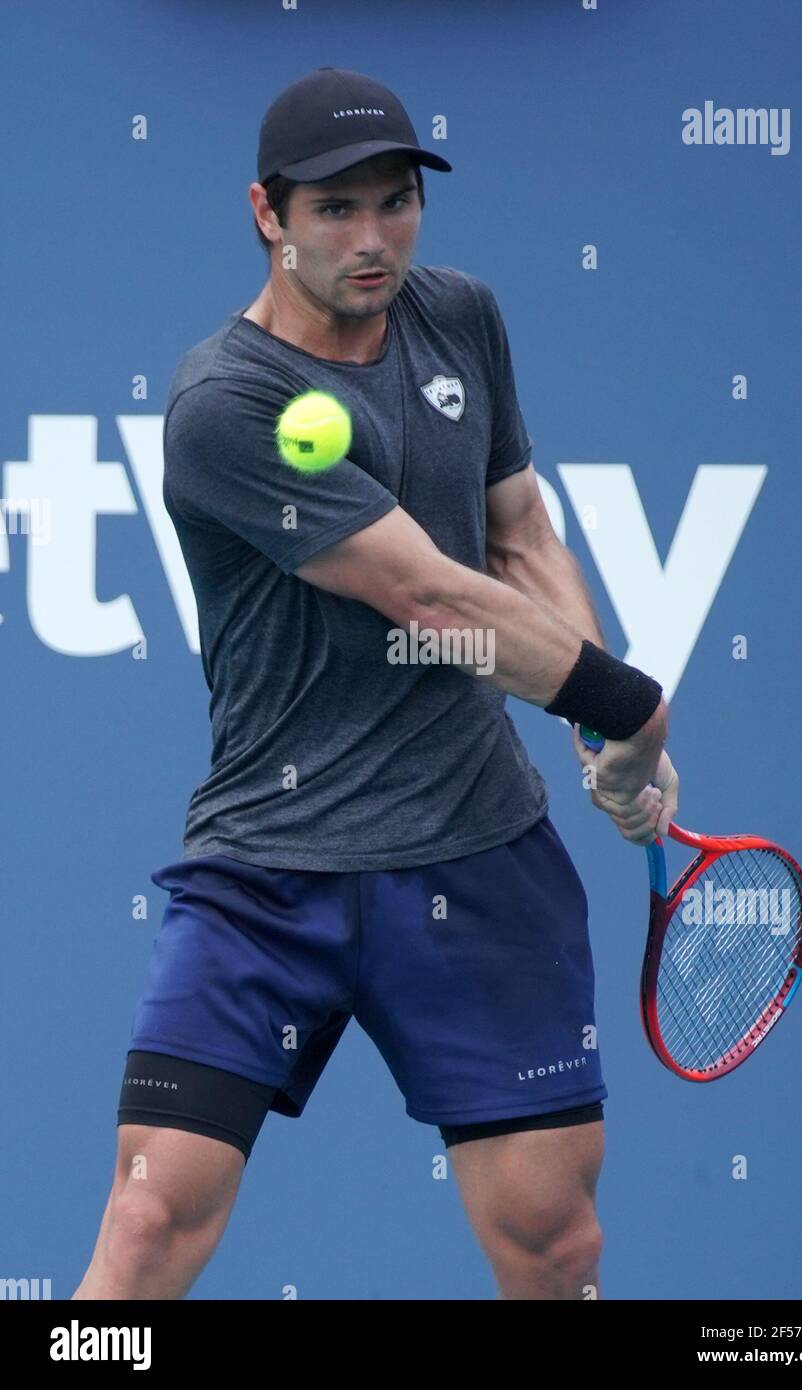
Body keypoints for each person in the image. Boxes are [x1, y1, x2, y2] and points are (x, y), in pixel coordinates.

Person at [74, 67, 678, 1302]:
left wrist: (595, 740)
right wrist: (630, 709)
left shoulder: (462, 318)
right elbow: (429, 597)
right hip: (268, 869)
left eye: (396, 203)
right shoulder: (223, 405)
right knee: (143, 1234)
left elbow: (517, 536)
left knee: (557, 1247)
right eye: (336, 210)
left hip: (478, 853)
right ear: (267, 214)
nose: (372, 239)